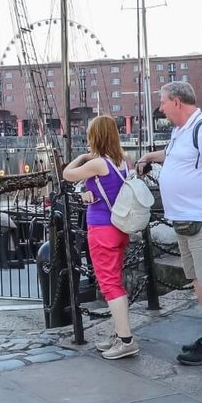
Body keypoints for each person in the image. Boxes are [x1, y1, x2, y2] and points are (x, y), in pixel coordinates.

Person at [137, 81, 202, 365]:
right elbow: (174, 156)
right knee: (197, 279)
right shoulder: (182, 131)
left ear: (177, 102)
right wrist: (151, 156)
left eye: (163, 102)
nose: (161, 107)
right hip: (184, 218)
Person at [64, 116, 138, 359]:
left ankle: (126, 340)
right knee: (115, 279)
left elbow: (67, 174)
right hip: (119, 226)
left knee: (108, 283)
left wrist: (83, 157)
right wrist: (89, 192)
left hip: (102, 228)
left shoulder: (97, 163)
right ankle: (119, 332)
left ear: (95, 137)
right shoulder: (124, 161)